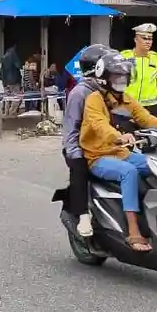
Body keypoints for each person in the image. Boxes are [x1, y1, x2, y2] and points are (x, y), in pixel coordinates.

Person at [79, 50, 157, 252]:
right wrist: (118, 136)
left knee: (156, 165)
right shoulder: (94, 99)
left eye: (124, 76)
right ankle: (133, 230)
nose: (121, 80)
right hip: (98, 156)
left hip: (122, 153)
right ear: (104, 77)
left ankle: (153, 214)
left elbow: (146, 118)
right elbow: (99, 124)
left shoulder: (126, 99)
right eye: (116, 76)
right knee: (129, 172)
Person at [53, 44, 111, 238]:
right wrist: (76, 154)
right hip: (80, 147)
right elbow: (70, 129)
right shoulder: (80, 93)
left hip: (106, 145)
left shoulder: (109, 90)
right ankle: (83, 216)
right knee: (80, 173)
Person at [120, 23, 157, 118]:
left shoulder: (156, 58)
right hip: (128, 104)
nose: (148, 42)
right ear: (136, 40)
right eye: (144, 38)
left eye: (150, 39)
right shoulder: (124, 57)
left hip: (150, 107)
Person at [0, 46, 23, 117]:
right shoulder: (13, 55)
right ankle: (12, 113)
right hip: (14, 81)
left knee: (7, 98)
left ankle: (6, 114)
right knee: (17, 98)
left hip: (6, 81)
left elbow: (2, 71)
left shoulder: (4, 57)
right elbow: (19, 65)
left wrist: (4, 83)